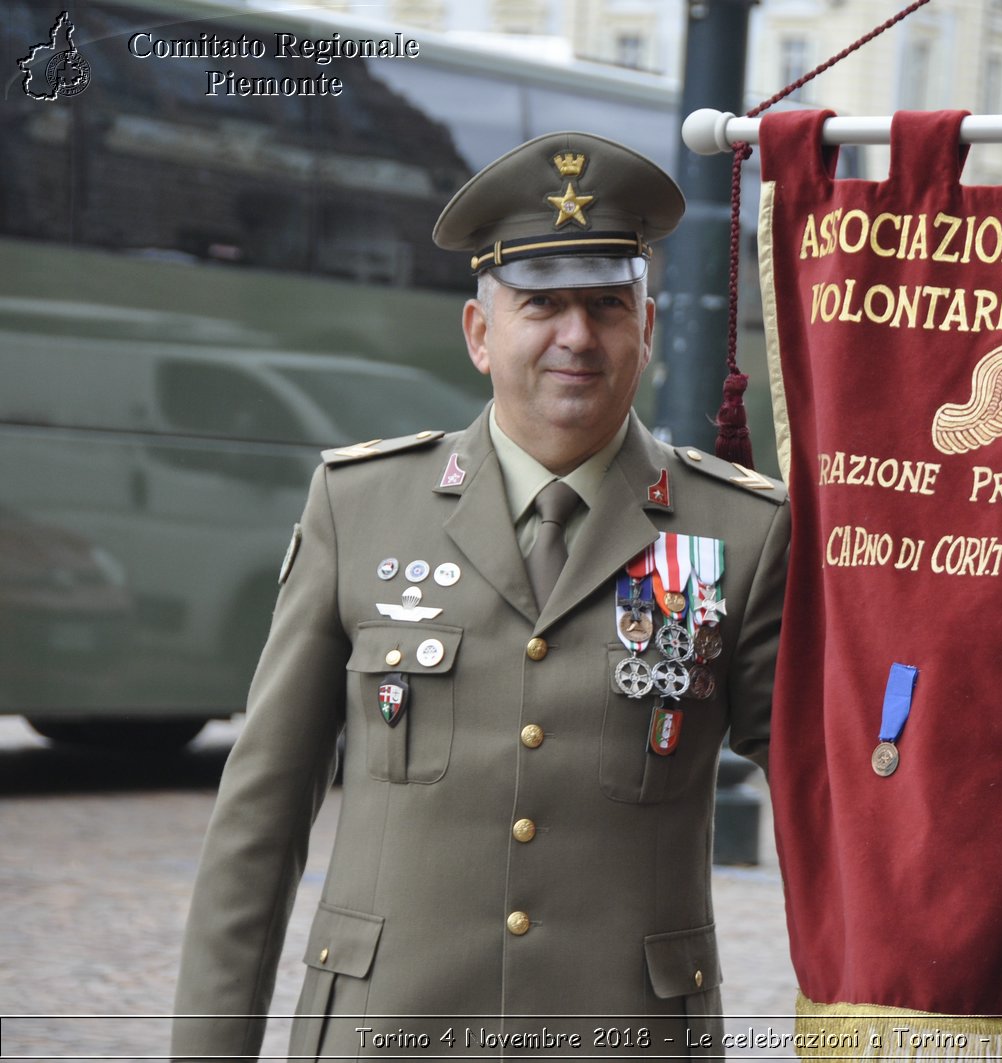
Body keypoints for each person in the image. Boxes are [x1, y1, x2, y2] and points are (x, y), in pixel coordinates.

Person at [172, 133, 789, 1060]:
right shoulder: (363, 504)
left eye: (607, 306)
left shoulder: (741, 531)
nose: (577, 336)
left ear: (648, 331)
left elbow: (831, 803)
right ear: (479, 333)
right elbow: (260, 814)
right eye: (541, 304)